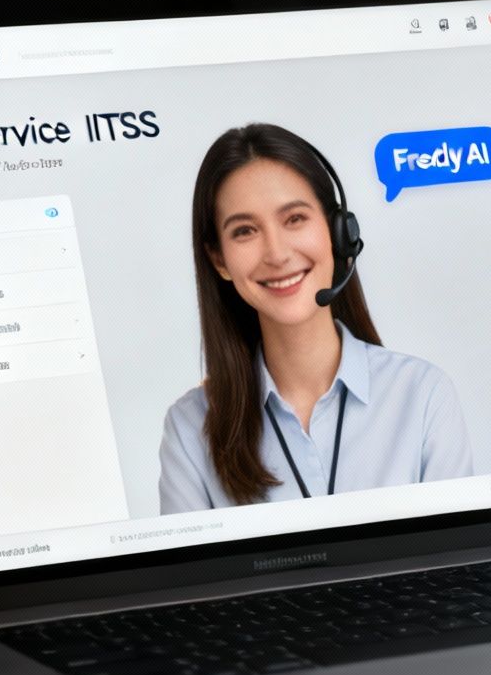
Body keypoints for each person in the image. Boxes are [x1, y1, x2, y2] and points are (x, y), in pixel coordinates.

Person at [158, 123, 473, 513]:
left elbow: (452, 562)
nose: (276, 253)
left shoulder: (422, 395)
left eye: (294, 219)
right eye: (245, 231)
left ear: (338, 232)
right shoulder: (190, 428)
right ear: (219, 259)